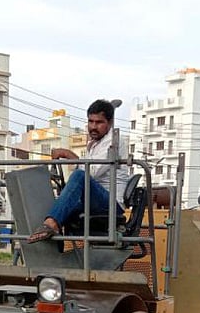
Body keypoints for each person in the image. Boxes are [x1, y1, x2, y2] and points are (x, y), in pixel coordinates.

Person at [27, 99, 128, 243]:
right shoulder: (95, 143)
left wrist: (69, 155)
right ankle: (51, 242)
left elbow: (91, 172)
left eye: (99, 122)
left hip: (111, 203)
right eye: (91, 121)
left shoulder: (113, 141)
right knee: (55, 205)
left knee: (79, 176)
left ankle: (51, 225)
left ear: (110, 122)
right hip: (94, 199)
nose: (93, 127)